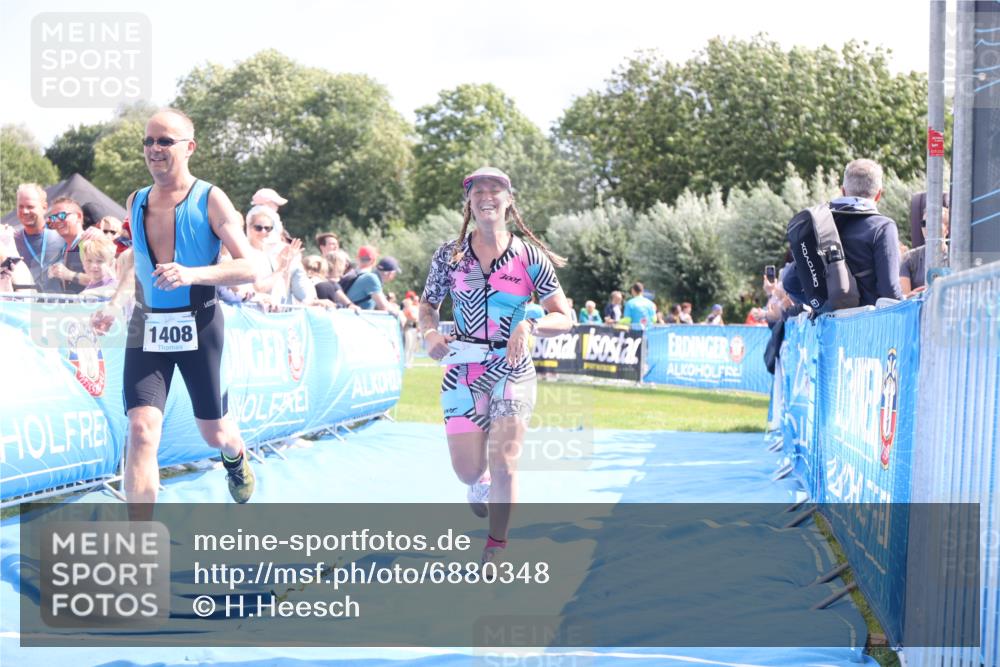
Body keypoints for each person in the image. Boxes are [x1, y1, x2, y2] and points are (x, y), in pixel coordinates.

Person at [92, 108, 259, 516]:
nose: (154, 149)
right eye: (148, 141)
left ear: (189, 147)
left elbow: (253, 266)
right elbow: (137, 260)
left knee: (215, 432)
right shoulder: (136, 200)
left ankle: (235, 457)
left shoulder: (210, 198)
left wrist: (191, 274)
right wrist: (115, 304)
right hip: (147, 325)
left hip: (200, 324)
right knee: (141, 429)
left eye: (165, 141)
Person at [420, 167, 573, 565]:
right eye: (478, 191)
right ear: (468, 202)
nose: (487, 196)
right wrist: (431, 335)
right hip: (462, 370)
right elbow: (427, 307)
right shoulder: (449, 255)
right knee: (469, 471)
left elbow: (564, 315)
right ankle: (479, 483)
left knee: (505, 459)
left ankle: (497, 546)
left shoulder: (528, 256)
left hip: (511, 367)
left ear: (509, 200)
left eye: (496, 190)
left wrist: (530, 323)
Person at [783, 158, 904, 308]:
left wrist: (823, 307)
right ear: (879, 194)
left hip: (830, 326)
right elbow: (890, 290)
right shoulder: (883, 227)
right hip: (869, 325)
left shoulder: (822, 224)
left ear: (843, 191)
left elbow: (790, 282)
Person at [13, 183, 65, 293]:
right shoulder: (12, 240)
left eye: (30, 207)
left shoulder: (62, 236)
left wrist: (93, 233)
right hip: (25, 306)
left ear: (44, 208)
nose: (25, 211)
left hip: (56, 306)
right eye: (20, 206)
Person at [900, 197, 949, 295]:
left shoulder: (956, 258)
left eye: (934, 223)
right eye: (924, 223)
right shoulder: (909, 258)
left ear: (947, 229)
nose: (928, 227)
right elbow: (904, 299)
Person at [45, 196, 89, 294]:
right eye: (53, 217)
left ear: (78, 216)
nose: (56, 221)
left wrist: (69, 275)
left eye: (62, 215)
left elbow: (105, 280)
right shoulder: (63, 247)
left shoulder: (89, 243)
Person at [345, 246, 401, 313]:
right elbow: (384, 307)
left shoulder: (356, 274)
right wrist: (399, 313)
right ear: (374, 261)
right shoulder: (371, 278)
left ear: (358, 258)